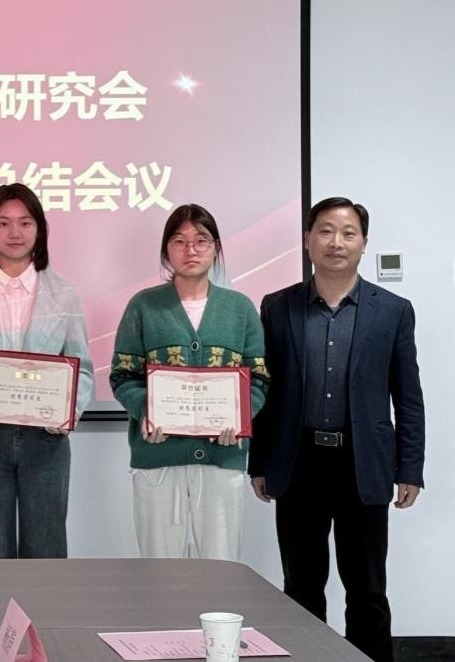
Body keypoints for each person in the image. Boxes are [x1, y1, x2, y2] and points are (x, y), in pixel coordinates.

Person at [248, 197, 425, 662]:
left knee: (367, 590)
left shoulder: (393, 310)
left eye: (348, 233)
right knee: (300, 588)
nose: (336, 242)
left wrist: (410, 468)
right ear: (308, 239)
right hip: (298, 461)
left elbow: (408, 395)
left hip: (362, 462)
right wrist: (259, 462)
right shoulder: (277, 306)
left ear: (364, 243)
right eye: (325, 231)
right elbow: (267, 392)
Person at [0, 182, 94, 558]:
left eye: (25, 223)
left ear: (39, 229)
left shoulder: (65, 293)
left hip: (46, 440)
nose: (14, 232)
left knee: (47, 555)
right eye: (4, 223)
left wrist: (68, 410)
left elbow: (84, 369)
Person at [109, 204, 268, 561]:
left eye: (201, 240)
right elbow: (123, 374)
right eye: (179, 241)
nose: (190, 250)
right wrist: (146, 411)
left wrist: (239, 418)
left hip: (222, 456)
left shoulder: (240, 308)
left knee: (221, 568)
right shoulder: (143, 306)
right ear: (166, 249)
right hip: (158, 457)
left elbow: (258, 378)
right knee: (159, 571)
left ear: (216, 247)